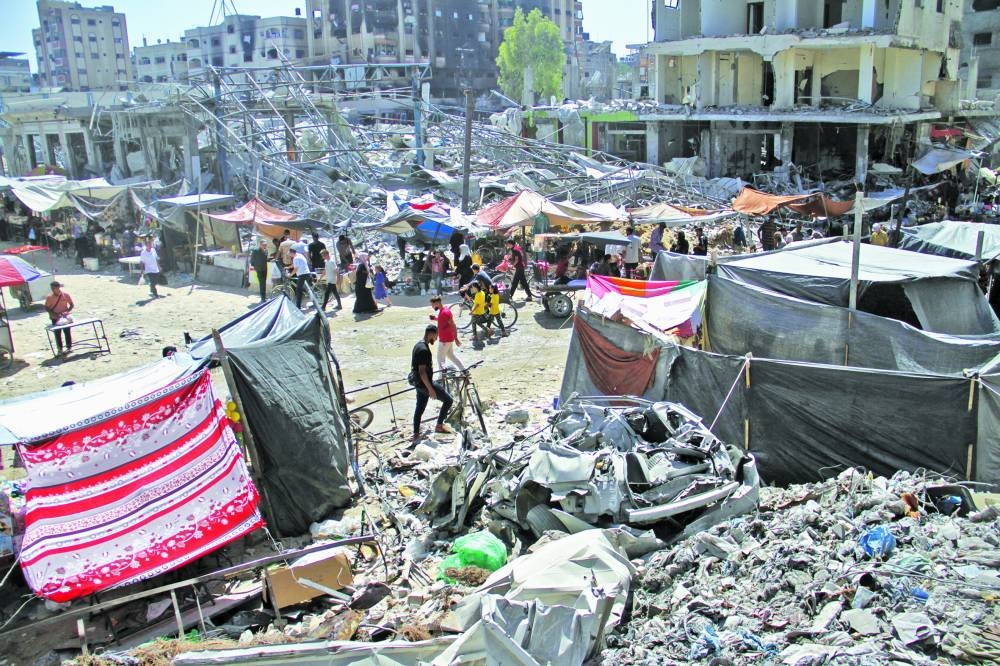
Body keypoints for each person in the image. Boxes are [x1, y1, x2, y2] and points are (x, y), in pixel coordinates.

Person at [411, 324, 454, 442]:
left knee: (419, 409)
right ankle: (439, 425)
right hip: (425, 384)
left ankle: (415, 434)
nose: (436, 339)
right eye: (436, 336)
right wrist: (430, 389)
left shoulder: (418, 345)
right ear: (431, 334)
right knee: (449, 400)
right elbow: (422, 372)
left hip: (419, 384)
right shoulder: (423, 350)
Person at [429, 295, 464, 372]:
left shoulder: (445, 312)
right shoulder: (442, 311)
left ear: (437, 303)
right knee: (451, 356)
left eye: (433, 305)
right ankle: (464, 370)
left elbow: (453, 325)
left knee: (440, 359)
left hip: (445, 340)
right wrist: (434, 318)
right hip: (448, 339)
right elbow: (443, 321)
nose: (432, 307)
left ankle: (442, 377)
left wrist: (456, 338)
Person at [44, 281, 74, 355]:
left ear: (58, 288)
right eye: (51, 288)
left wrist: (67, 311)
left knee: (67, 332)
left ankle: (69, 347)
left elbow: (71, 305)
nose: (52, 289)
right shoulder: (49, 297)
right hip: (55, 318)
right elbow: (46, 307)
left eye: (53, 288)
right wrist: (53, 314)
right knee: (57, 334)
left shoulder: (65, 295)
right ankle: (60, 349)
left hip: (65, 317)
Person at [469, 282, 490, 346]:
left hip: (476, 311)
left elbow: (477, 304)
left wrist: (472, 311)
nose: (472, 289)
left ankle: (484, 331)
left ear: (476, 287)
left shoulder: (477, 294)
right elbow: (479, 302)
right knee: (476, 322)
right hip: (481, 311)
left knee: (474, 322)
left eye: (473, 287)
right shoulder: (482, 293)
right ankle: (486, 330)